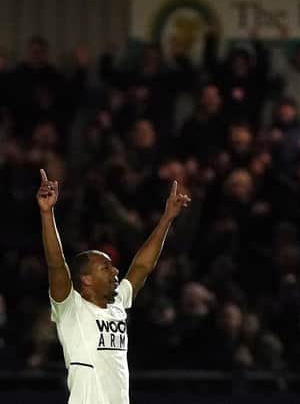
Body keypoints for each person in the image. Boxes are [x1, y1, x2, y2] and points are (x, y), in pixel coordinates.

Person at [37, 168, 190, 403]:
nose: (115, 271)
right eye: (106, 268)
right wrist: (47, 214)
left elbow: (141, 267)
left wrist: (167, 218)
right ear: (85, 279)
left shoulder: (117, 302)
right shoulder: (71, 308)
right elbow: (57, 265)